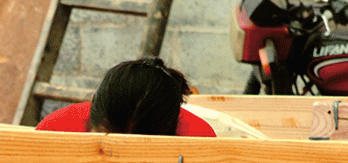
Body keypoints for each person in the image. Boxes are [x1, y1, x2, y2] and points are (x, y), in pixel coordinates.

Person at [36, 57, 216, 137]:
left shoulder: (198, 140)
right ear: (91, 110)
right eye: (107, 140)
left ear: (174, 127)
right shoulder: (57, 129)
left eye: (140, 148)